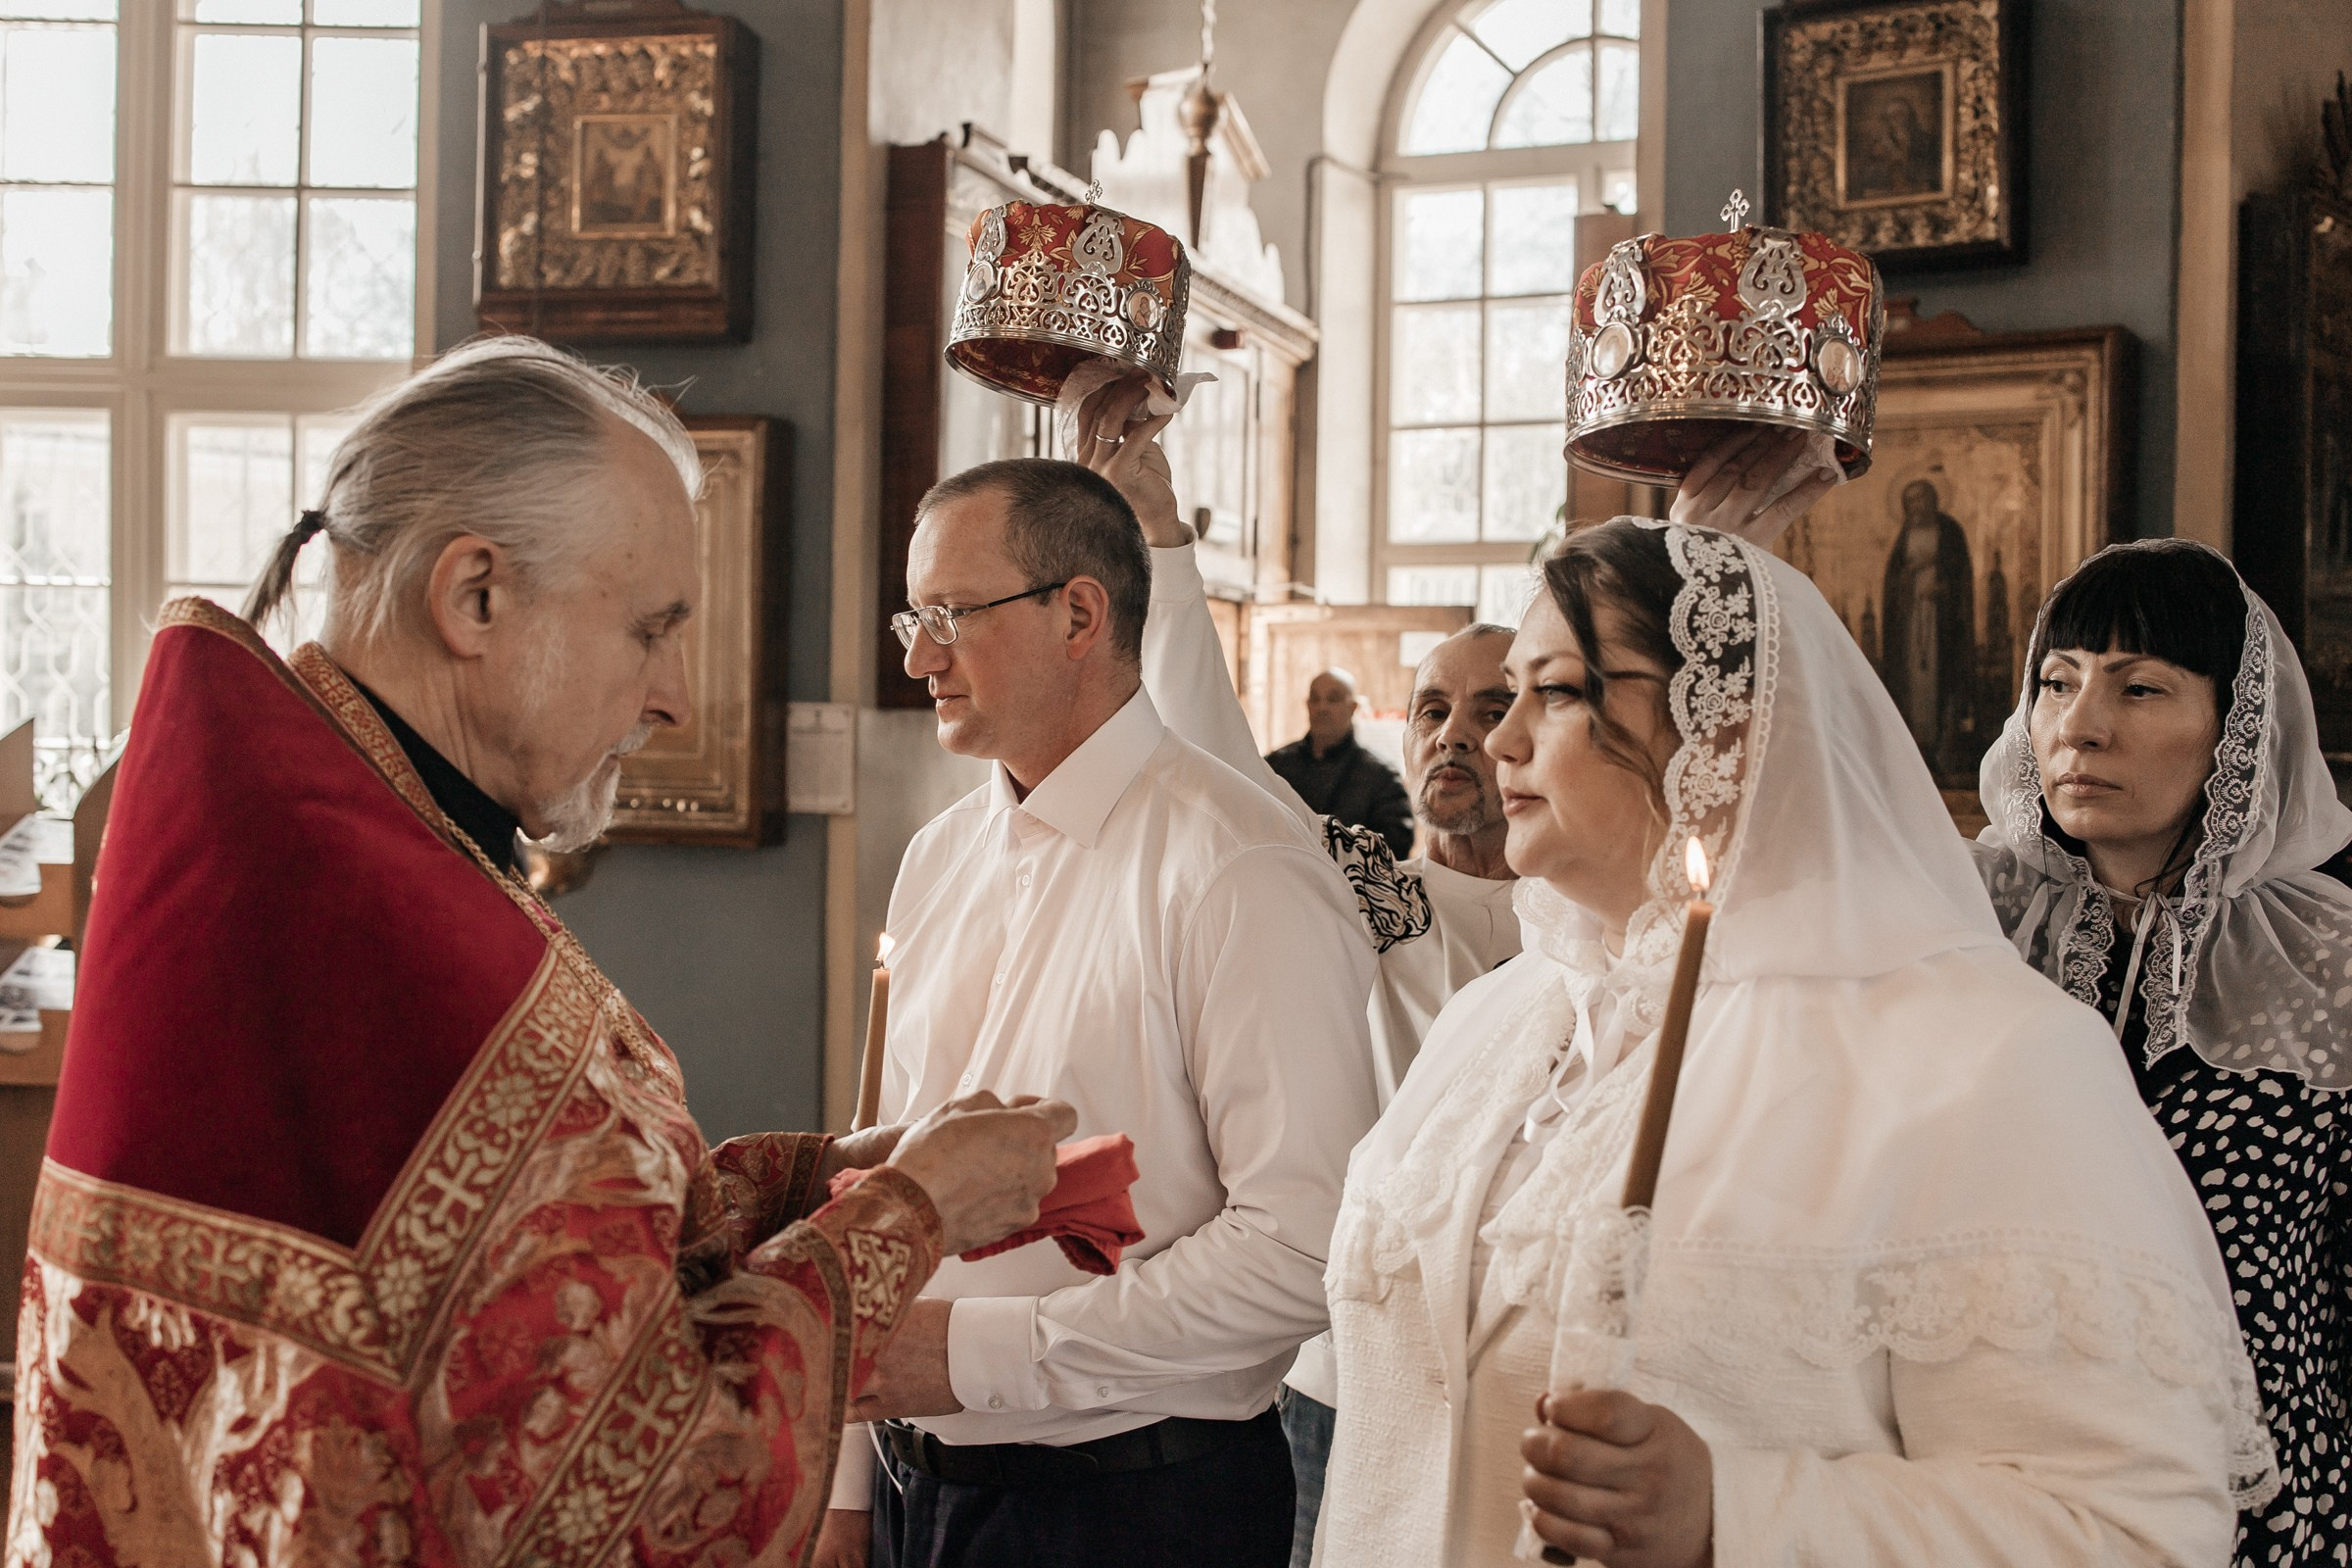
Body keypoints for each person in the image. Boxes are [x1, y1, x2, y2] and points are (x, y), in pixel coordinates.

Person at [6, 335, 1074, 1568]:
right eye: (651, 630)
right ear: (475, 596)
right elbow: (646, 1491)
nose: (676, 697)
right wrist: (911, 1211)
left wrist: (813, 1180)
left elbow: (517, 1278)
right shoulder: (383, 939)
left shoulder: (314, 839)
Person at [1325, 516, 2273, 1566]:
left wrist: (1733, 1515)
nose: (1501, 741)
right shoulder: (1493, 1021)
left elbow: (2132, 1531)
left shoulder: (1986, 1057)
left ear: (1723, 728)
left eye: (1555, 692)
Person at [1078, 384, 1847, 1568]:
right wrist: (1163, 543)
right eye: (1433, 708)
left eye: (1506, 703)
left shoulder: (1632, 922)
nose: (1462, 734)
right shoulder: (1366, 890)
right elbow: (1219, 764)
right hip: (1363, 1362)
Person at [823, 458, 1379, 1568]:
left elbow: (1305, 1244)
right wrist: (847, 1484)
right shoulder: (937, 856)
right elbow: (881, 1166)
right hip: (906, 1487)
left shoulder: (1239, 866)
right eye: (912, 617)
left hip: (1134, 1504)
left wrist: (980, 1354)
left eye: (950, 615)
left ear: (1079, 614)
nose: (919, 657)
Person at [1974, 538, 2352, 1568]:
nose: (2080, 725)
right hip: (2001, 1485)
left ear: (2239, 727)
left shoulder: (2326, 962)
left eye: (2140, 688)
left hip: (2264, 1505)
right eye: (2057, 683)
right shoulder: (1964, 928)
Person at [1264, 668, 1416, 859]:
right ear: (1307, 705)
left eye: (1333, 699)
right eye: (1315, 699)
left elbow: (1395, 848)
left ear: (1352, 707)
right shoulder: (1276, 766)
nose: (1322, 707)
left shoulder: (1381, 778)